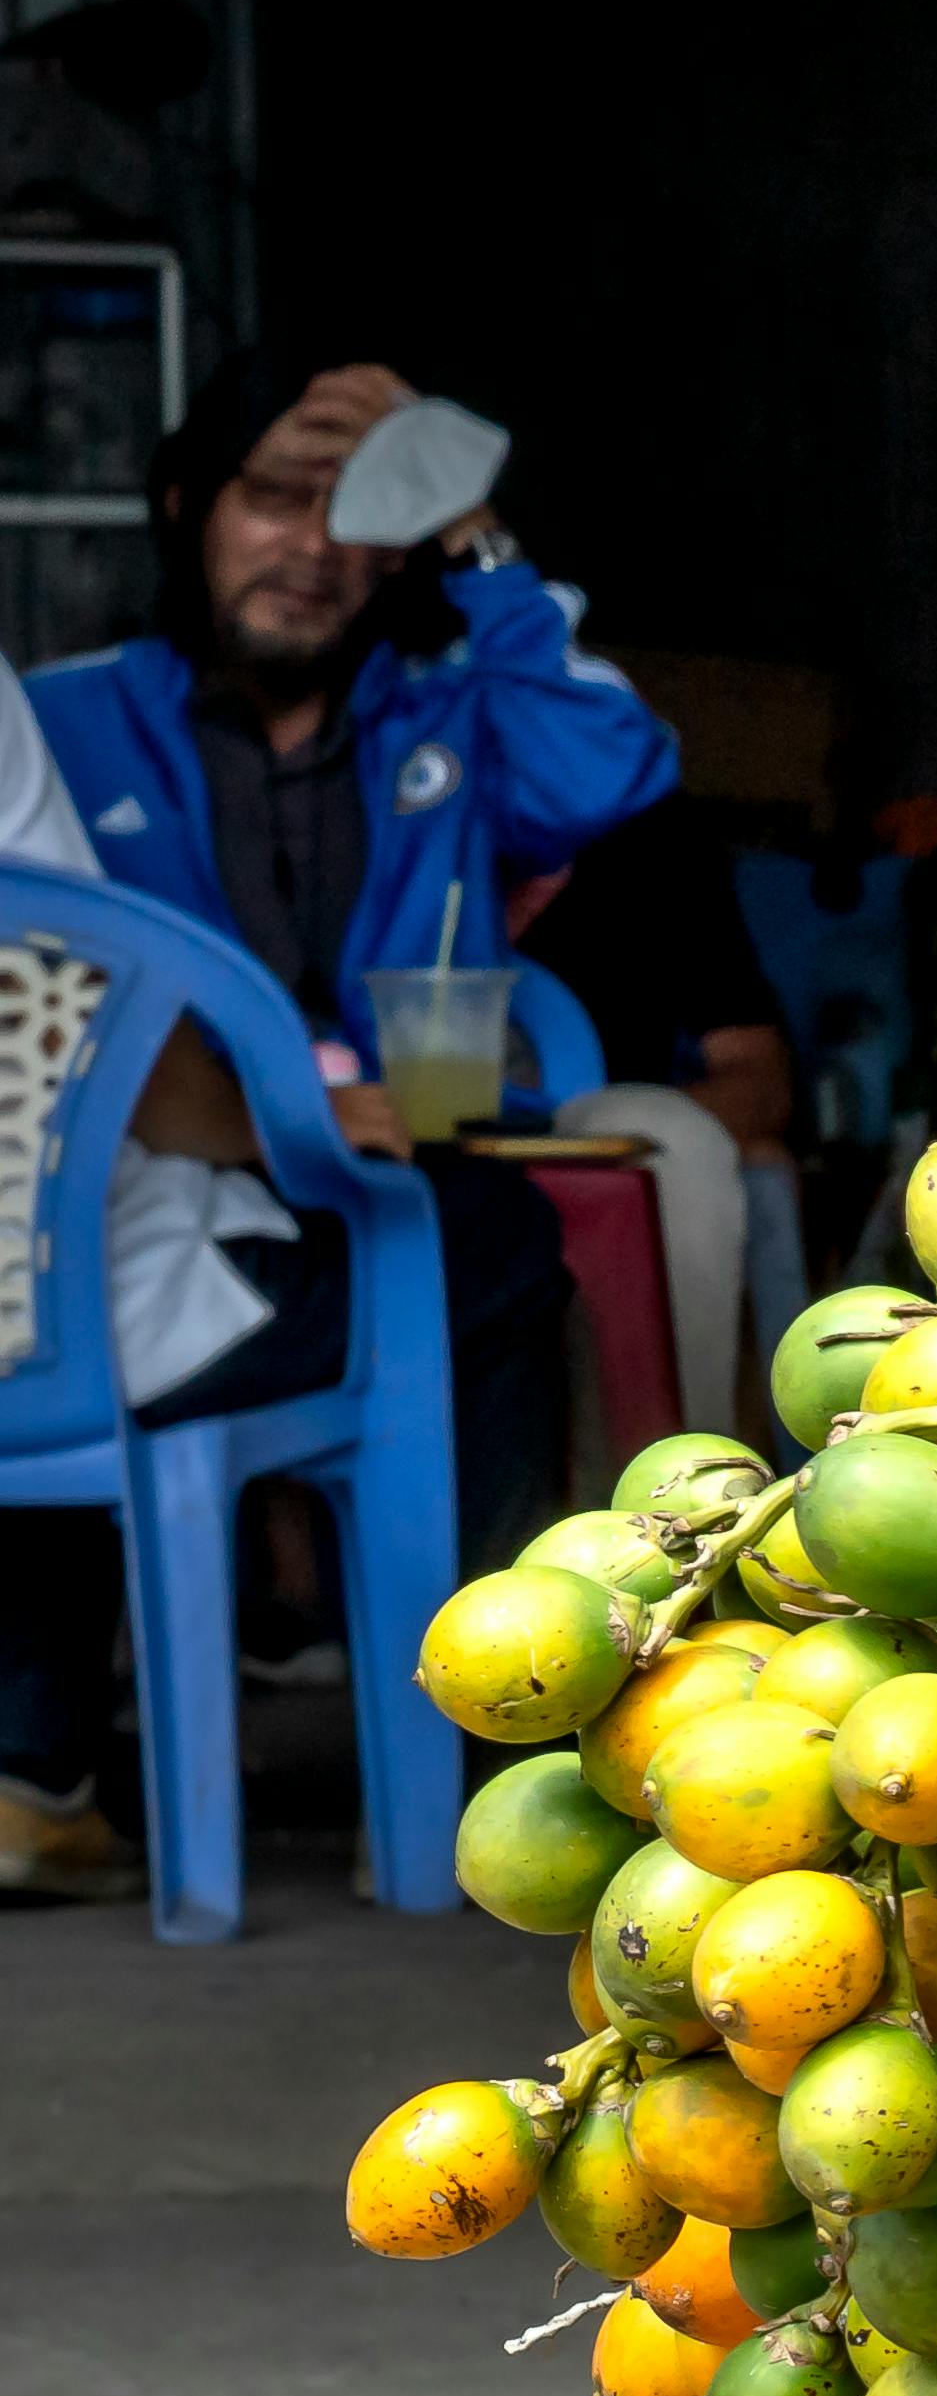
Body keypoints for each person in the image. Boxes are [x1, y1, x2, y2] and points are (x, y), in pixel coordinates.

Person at [0, 354, 709, 1902]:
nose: (311, 545)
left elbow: (617, 767)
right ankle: (50, 1748)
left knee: (497, 1244)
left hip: (411, 1154)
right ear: (187, 507)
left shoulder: (445, 715)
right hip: (165, 1164)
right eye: (273, 497)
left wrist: (473, 525)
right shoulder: (58, 722)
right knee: (58, 1272)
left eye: (359, 510)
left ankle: (480, 1730)